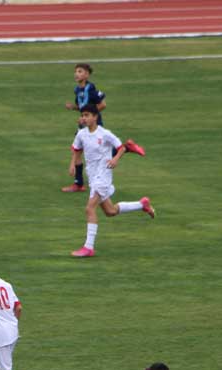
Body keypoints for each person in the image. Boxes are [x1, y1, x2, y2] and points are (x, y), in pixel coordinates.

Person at [69, 106, 154, 258]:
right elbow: (76, 150)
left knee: (89, 208)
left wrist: (115, 159)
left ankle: (88, 247)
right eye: (83, 115)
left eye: (87, 115)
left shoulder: (105, 134)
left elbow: (121, 147)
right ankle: (142, 204)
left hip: (104, 175)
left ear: (95, 117)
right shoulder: (81, 134)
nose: (84, 118)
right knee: (110, 211)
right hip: (93, 176)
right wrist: (72, 165)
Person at [60, 63, 146, 193]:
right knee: (79, 152)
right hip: (84, 125)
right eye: (76, 71)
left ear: (87, 74)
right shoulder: (77, 90)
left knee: (95, 152)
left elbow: (102, 105)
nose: (77, 74)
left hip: (94, 125)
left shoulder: (91, 89)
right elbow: (84, 108)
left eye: (80, 71)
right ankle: (78, 183)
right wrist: (74, 107)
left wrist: (88, 117)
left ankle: (126, 148)